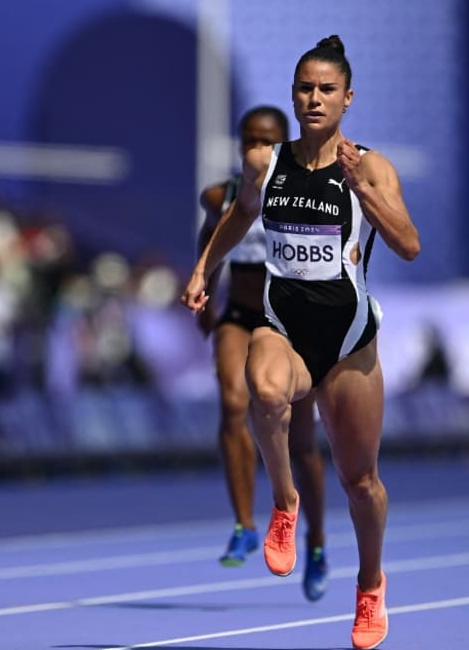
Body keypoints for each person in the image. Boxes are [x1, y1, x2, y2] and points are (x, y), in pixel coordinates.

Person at [181, 35, 420, 650]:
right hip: (282, 326)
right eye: (304, 89)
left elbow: (408, 243)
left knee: (359, 481)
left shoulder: (370, 165)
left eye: (326, 90)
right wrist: (203, 269)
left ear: (347, 98)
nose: (314, 99)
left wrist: (361, 190)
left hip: (348, 342)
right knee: (262, 389)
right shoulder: (267, 162)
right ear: (293, 95)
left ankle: (370, 585)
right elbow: (239, 214)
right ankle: (284, 501)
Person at [196, 105, 329, 602]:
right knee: (233, 404)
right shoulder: (222, 195)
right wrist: (202, 292)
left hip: (290, 328)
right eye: (248, 138)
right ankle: (245, 523)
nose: (256, 147)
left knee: (302, 445)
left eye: (266, 140)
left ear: (283, 142)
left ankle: (314, 541)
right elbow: (209, 238)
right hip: (240, 318)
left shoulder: (305, 191)